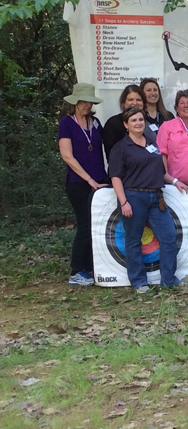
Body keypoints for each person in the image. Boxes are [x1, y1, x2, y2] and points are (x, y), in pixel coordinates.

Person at [106, 108, 186, 293]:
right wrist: (124, 201)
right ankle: (139, 282)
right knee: (134, 240)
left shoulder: (152, 143)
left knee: (169, 237)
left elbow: (161, 171)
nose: (138, 123)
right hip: (133, 197)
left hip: (156, 197)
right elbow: (115, 177)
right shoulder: (120, 147)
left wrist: (175, 181)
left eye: (141, 119)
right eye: (133, 120)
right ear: (126, 125)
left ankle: (168, 280)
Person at [57, 82, 108, 286]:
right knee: (85, 225)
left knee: (97, 226)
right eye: (84, 101)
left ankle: (91, 267)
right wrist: (89, 179)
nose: (88, 105)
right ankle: (76, 271)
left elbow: (107, 145)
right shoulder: (66, 123)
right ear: (75, 102)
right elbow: (67, 156)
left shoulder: (95, 123)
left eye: (90, 101)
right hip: (79, 183)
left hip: (100, 181)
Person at [104, 85, 149, 149]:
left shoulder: (149, 121)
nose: (135, 103)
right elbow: (111, 154)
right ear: (124, 102)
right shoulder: (112, 124)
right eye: (130, 100)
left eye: (138, 100)